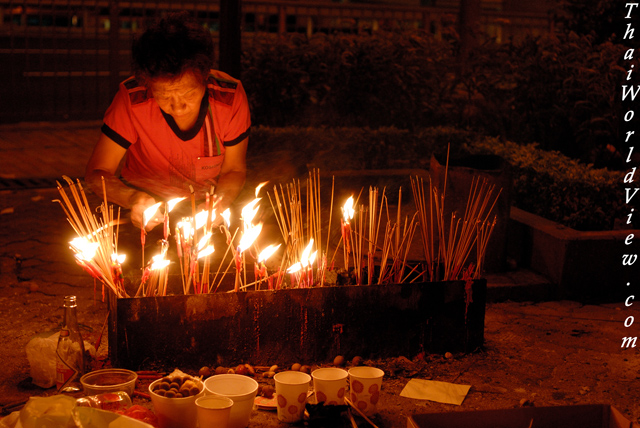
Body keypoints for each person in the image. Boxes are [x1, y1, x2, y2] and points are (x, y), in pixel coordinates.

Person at [85, 12, 250, 232]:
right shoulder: (133, 98)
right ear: (148, 85)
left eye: (189, 94)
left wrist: (218, 204)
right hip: (144, 206)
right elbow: (97, 172)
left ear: (204, 77)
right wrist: (132, 198)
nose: (178, 107)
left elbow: (234, 170)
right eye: (164, 96)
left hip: (205, 207)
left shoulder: (228, 98)